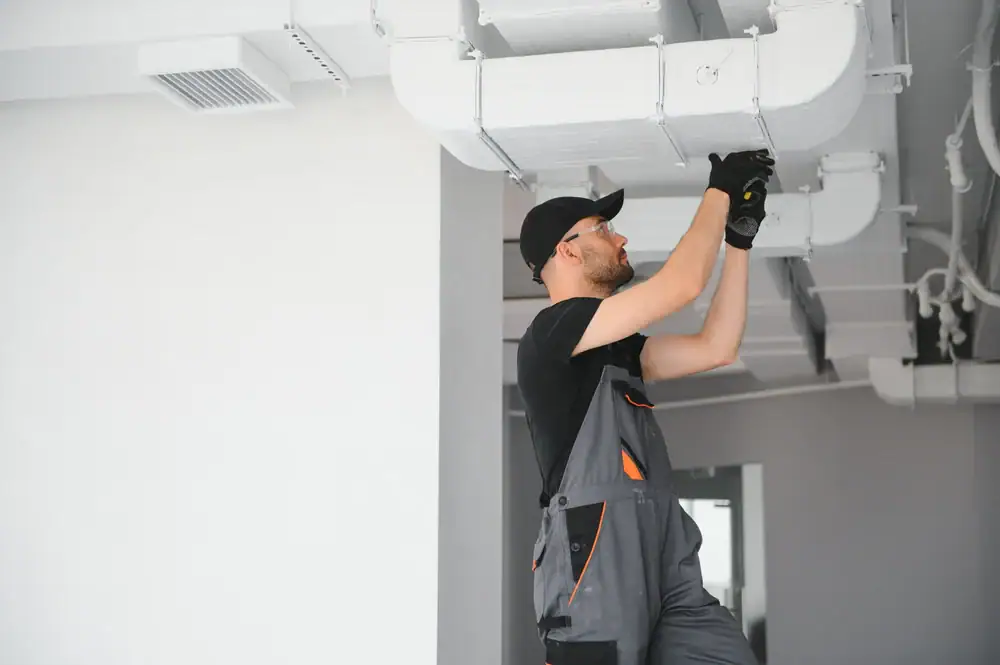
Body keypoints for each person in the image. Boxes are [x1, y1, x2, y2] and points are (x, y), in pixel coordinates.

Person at [516, 149, 774, 665]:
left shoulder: (617, 347)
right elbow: (682, 285)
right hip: (597, 552)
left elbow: (716, 347)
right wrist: (719, 193)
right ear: (567, 251)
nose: (621, 239)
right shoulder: (552, 332)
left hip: (660, 545)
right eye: (604, 229)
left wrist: (738, 241)